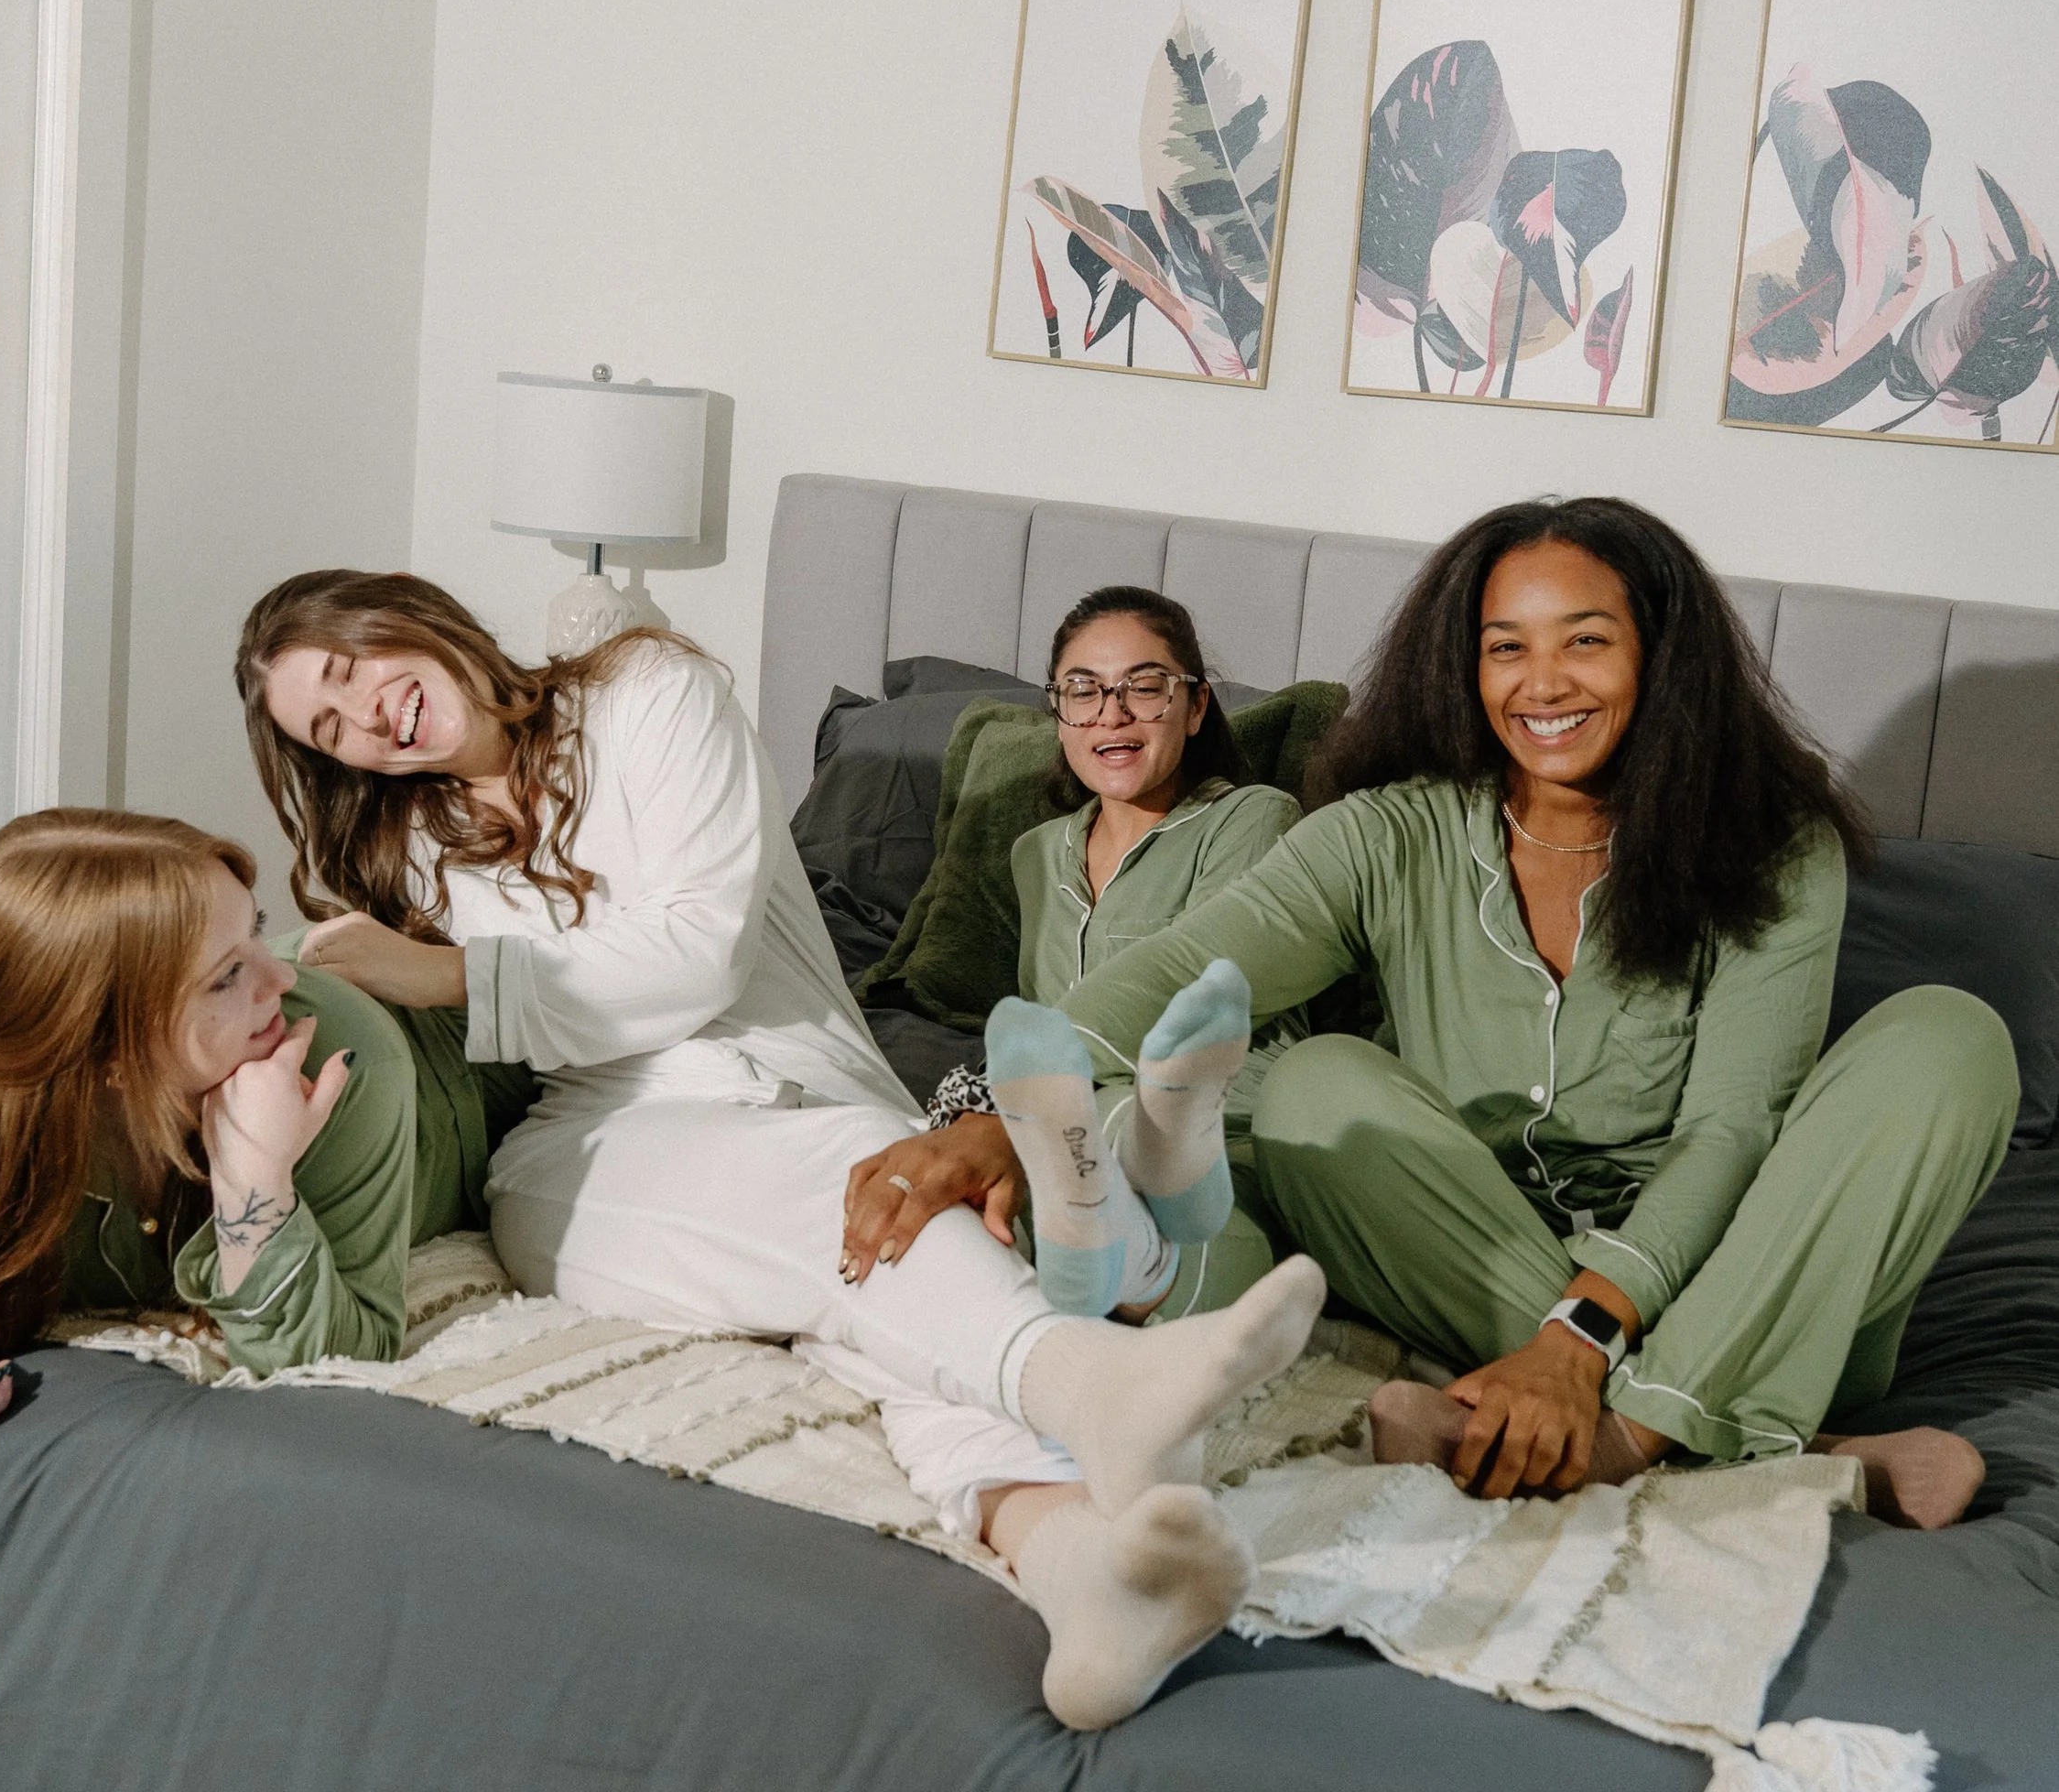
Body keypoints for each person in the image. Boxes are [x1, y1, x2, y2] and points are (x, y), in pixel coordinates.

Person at [237, 569, 1328, 1728]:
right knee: (867, 1213)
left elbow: (696, 956)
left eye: (351, 674)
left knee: (873, 1276)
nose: (365, 720)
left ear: (398, 617)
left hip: (803, 1097)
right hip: (595, 1153)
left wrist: (451, 974)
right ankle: (1091, 1379)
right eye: (328, 728)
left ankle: (1084, 1574)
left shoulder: (650, 694)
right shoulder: (411, 848)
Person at [985, 498, 2018, 1528]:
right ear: (1465, 669)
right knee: (1312, 1085)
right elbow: (1179, 974)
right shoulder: (1389, 834)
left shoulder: (1773, 843)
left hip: (1744, 1274)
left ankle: (1623, 1438)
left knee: (1948, 1036)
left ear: (1660, 657)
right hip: (1476, 1260)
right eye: (1505, 647)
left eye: (1586, 641)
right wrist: (998, 1113)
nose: (1543, 682)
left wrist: (1575, 1343)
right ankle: (1758, 1438)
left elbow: (1731, 1129)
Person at [0, 807, 520, 1429]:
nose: (277, 976)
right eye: (228, 974)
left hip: (472, 1065)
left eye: (255, 931)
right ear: (104, 1056)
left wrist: (255, 1183)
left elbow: (339, 1365)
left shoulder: (345, 1063)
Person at [840, 583, 1299, 1318]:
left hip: (1209, 1133)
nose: (1110, 715)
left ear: (1197, 705)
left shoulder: (1251, 820)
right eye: (1082, 691)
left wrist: (1005, 1120)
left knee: (1196, 1241)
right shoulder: (1037, 854)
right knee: (878, 1164)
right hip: (1069, 1141)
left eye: (1144, 689)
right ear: (1058, 713)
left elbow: (1198, 1016)